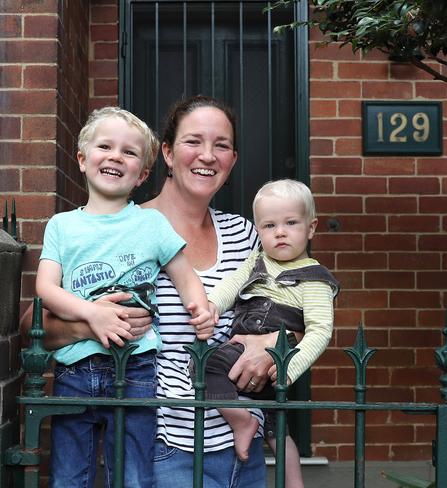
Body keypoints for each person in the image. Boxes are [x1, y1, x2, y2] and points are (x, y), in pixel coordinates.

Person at [21, 96, 280, 488]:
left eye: (222, 145)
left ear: (233, 159)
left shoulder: (244, 234)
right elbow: (34, 325)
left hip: (242, 444)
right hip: (163, 444)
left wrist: (272, 342)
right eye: (194, 141)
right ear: (168, 153)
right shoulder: (125, 229)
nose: (208, 156)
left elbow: (292, 307)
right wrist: (92, 323)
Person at [36, 106, 214, 488]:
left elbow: (184, 275)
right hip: (75, 368)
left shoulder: (150, 224)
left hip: (136, 367)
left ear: (142, 175)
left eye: (129, 152)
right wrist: (91, 316)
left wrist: (199, 307)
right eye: (105, 146)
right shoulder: (62, 226)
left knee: (133, 473)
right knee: (69, 475)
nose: (116, 156)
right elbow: (46, 289)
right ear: (82, 160)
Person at [202, 179, 339, 474]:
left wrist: (289, 367)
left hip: (277, 361)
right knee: (276, 425)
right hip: (241, 351)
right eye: (268, 226)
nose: (280, 232)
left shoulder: (314, 279)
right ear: (258, 230)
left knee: (207, 366)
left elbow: (320, 330)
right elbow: (233, 283)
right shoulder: (258, 259)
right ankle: (243, 419)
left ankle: (245, 425)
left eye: (291, 222)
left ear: (311, 227)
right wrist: (213, 305)